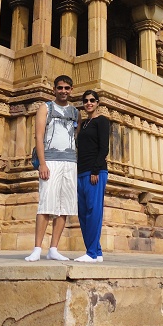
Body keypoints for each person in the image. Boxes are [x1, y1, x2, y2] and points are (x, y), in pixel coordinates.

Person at [25, 75, 80, 262]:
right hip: (51, 161)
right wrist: (42, 163)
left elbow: (75, 137)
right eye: (60, 88)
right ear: (54, 89)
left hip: (70, 162)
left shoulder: (75, 112)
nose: (63, 91)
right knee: (46, 205)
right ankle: (37, 249)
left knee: (64, 206)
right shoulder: (45, 107)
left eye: (67, 88)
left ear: (71, 90)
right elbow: (39, 136)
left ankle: (54, 249)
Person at [75, 90, 109, 262]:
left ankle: (91, 253)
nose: (89, 103)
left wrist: (95, 170)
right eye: (86, 100)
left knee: (93, 211)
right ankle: (97, 251)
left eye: (92, 100)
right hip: (81, 171)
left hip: (95, 172)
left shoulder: (102, 121)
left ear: (97, 103)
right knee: (82, 212)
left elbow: (104, 148)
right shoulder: (84, 124)